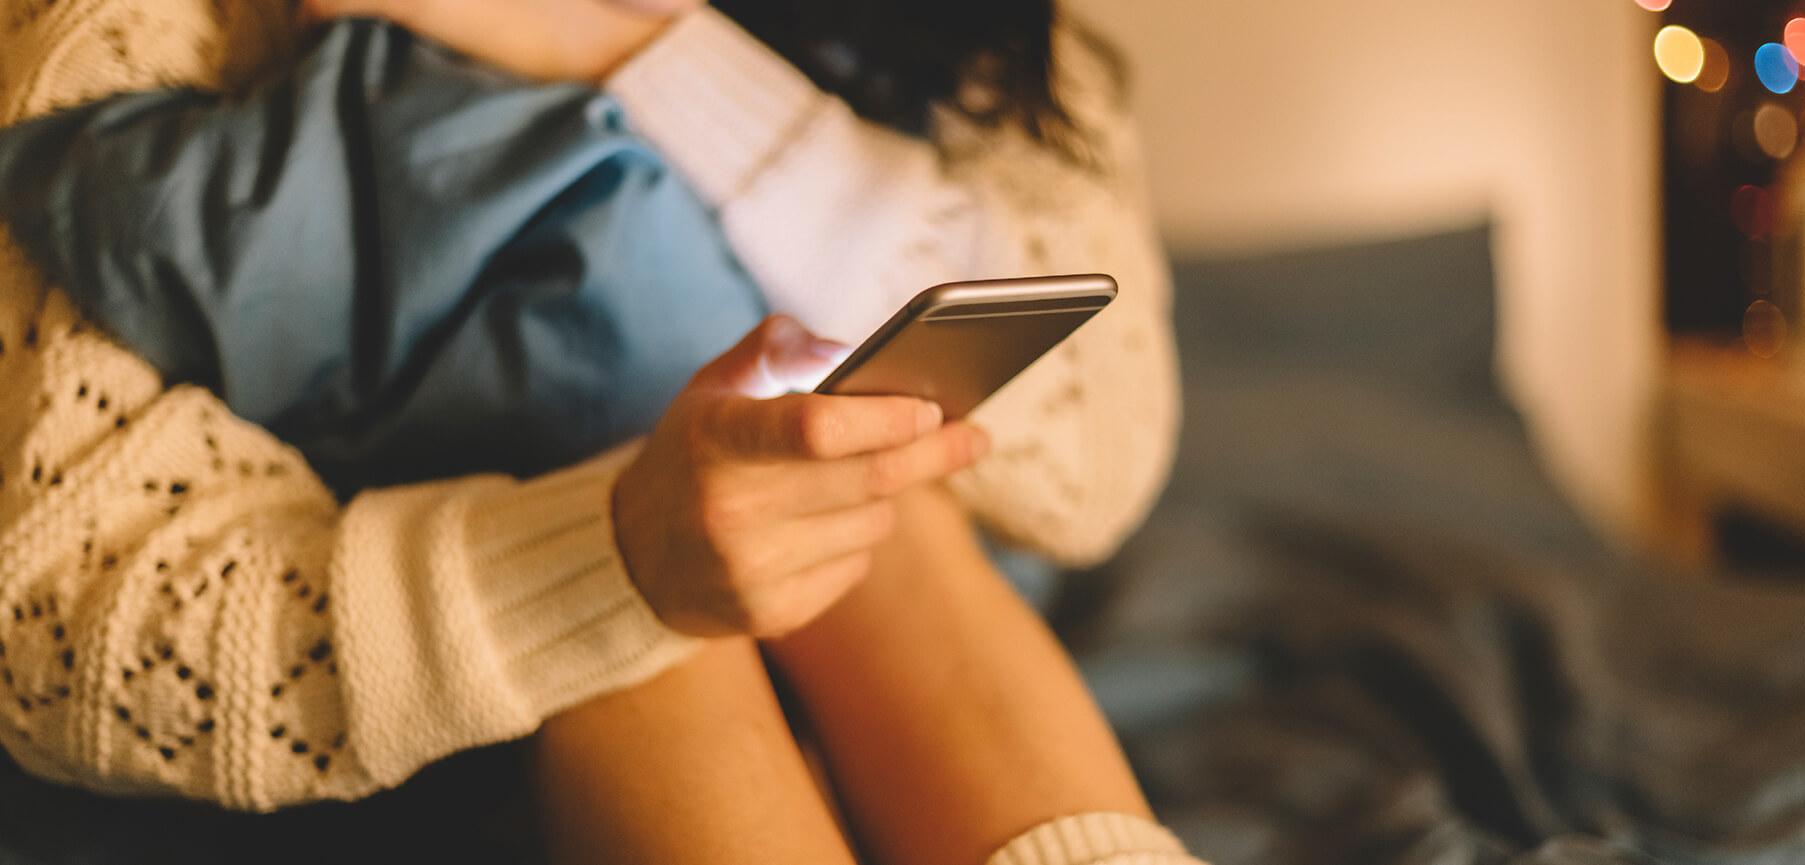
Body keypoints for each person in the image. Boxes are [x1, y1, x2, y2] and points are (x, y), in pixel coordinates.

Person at [0, 0, 1192, 863]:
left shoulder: (988, 41)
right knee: (673, 593)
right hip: (422, 668)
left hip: (886, 603)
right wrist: (610, 554)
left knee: (846, 470)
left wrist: (645, 47)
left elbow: (1100, 456)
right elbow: (60, 616)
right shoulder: (124, 36)